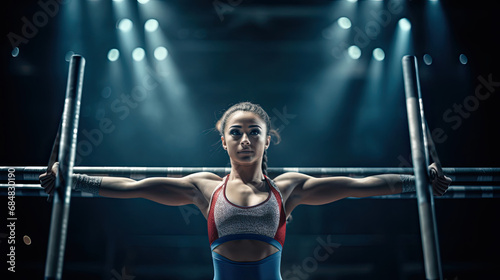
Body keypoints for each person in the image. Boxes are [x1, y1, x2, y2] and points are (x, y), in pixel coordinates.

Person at [39, 101, 452, 280]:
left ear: (268, 140)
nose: (245, 140)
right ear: (224, 141)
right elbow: (132, 188)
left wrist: (421, 178)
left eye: (254, 132)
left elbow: (362, 186)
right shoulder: (204, 188)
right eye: (235, 133)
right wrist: (72, 177)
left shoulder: (288, 188)